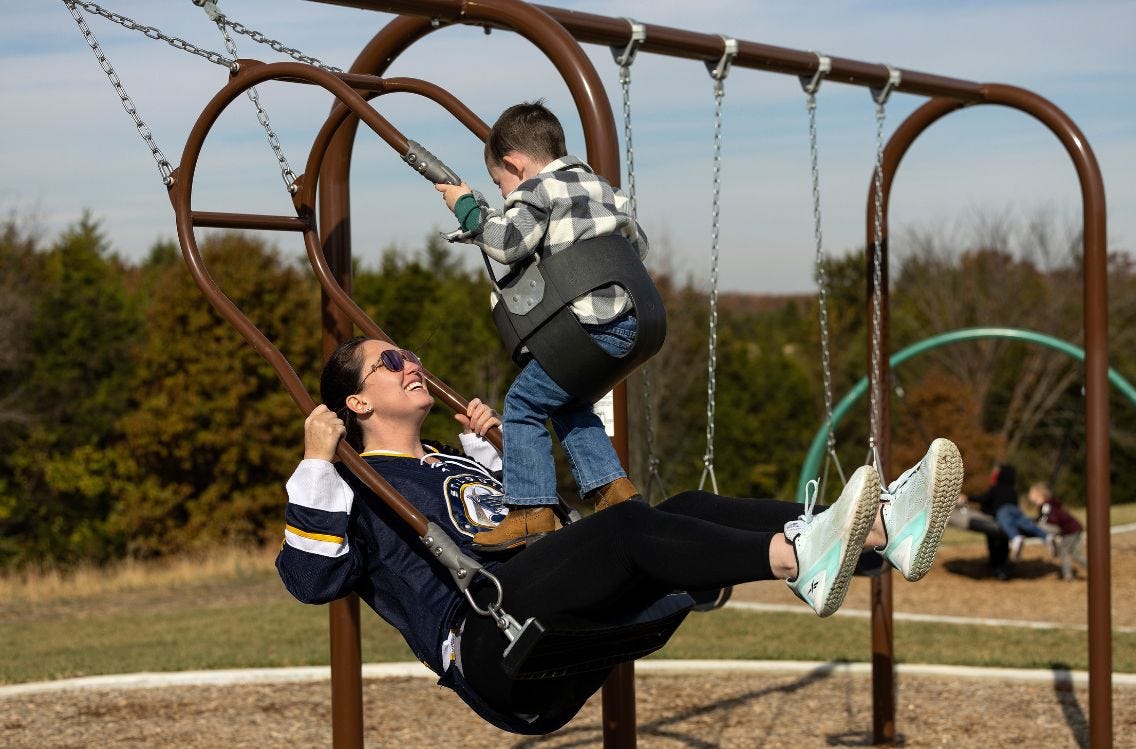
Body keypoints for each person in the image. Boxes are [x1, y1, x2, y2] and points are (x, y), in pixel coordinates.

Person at [275, 337, 966, 735]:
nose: (411, 362)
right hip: (492, 640)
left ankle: (879, 533)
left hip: (545, 614)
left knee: (686, 506)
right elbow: (313, 580)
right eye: (391, 361)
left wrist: (498, 451)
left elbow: (521, 528)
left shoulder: (449, 460)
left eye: (409, 354)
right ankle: (800, 559)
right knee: (628, 526)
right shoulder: (357, 486)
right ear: (357, 403)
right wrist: (316, 461)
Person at [432, 101, 650, 551]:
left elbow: (507, 244)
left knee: (522, 404)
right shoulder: (601, 187)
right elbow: (637, 246)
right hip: (634, 321)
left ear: (515, 164)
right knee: (569, 405)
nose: (505, 193)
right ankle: (614, 491)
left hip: (586, 329)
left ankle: (531, 510)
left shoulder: (538, 192)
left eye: (501, 183)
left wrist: (469, 208)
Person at [959, 463, 1051, 570]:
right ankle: (1046, 537)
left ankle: (997, 564)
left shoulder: (995, 489)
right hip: (1012, 520)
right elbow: (1015, 509)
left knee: (995, 540)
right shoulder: (1013, 491)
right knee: (1011, 536)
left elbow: (984, 499)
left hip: (1000, 520)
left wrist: (968, 499)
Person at [1028, 481, 1086, 581]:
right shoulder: (1047, 505)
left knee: (1065, 552)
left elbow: (1044, 521)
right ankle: (1095, 570)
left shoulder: (1046, 505)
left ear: (1039, 494)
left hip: (1070, 530)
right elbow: (1043, 518)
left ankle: (1068, 575)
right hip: (1073, 529)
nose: (1029, 496)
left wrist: (1032, 524)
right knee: (1073, 553)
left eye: (1031, 493)